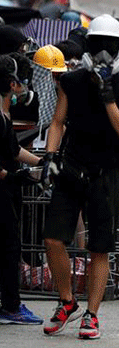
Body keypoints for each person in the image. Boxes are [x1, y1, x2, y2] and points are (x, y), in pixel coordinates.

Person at [42, 14, 119, 339]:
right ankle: (67, 301)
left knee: (99, 247)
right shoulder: (71, 81)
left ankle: (92, 314)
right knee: (53, 238)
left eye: (107, 46)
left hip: (106, 174)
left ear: (116, 49)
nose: (101, 52)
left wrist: (108, 95)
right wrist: (50, 158)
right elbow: (58, 122)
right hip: (71, 168)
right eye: (96, 45)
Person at [0, 54, 45, 325]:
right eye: (19, 82)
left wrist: (41, 162)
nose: (23, 87)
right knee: (8, 247)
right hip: (2, 191)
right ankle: (11, 306)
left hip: (6, 189)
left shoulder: (4, 114)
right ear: (10, 83)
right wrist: (9, 176)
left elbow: (13, 150)